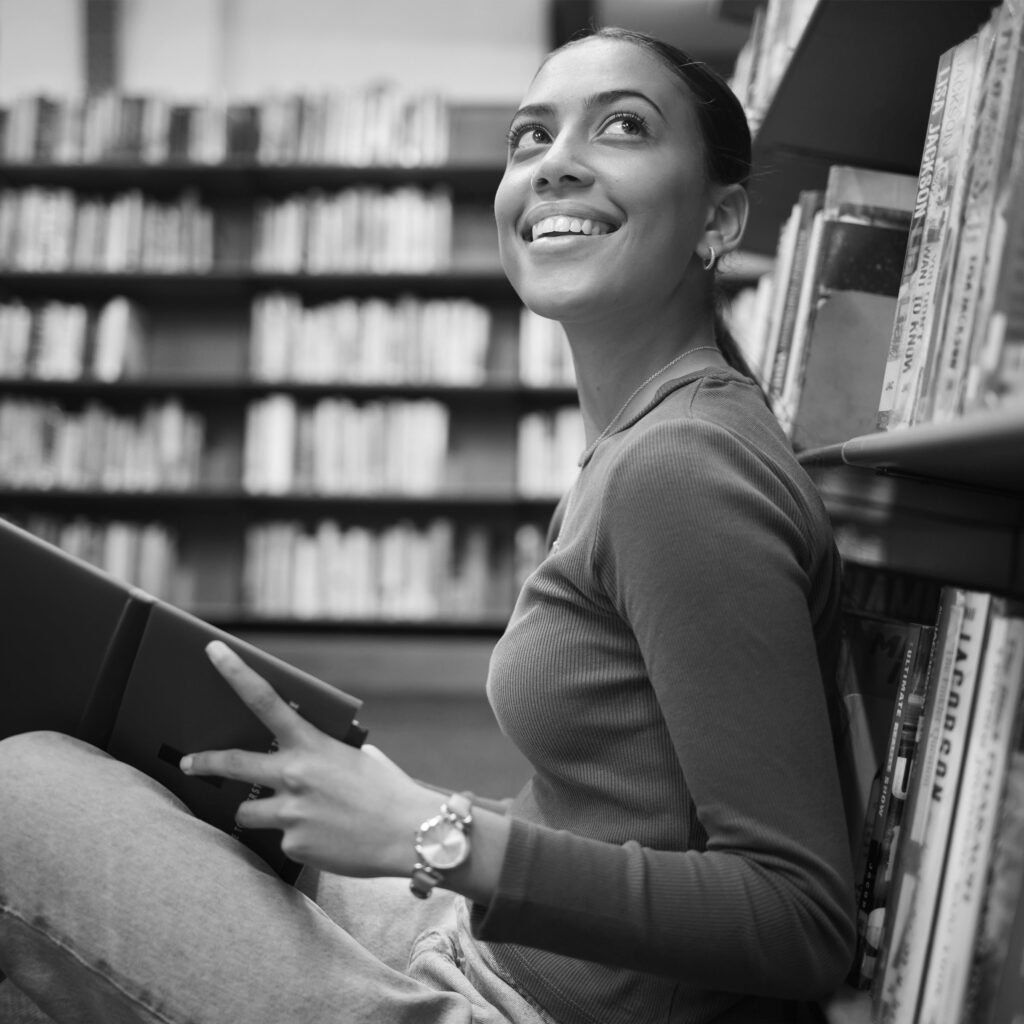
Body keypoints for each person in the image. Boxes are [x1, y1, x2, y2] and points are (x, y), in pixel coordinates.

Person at [0, 25, 856, 1024]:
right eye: (531, 136)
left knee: (23, 796)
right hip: (493, 940)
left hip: (522, 1003)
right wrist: (414, 817)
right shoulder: (648, 436)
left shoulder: (680, 469)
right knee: (219, 762)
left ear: (719, 218)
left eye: (623, 126)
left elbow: (799, 920)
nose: (556, 163)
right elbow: (615, 813)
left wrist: (431, 835)